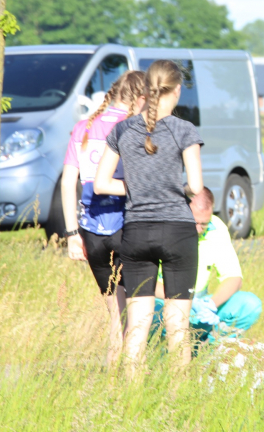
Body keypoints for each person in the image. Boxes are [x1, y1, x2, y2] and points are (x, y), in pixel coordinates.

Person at [95, 60, 204, 373]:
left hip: (136, 231)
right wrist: (173, 187)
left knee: (138, 324)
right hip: (177, 231)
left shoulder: (122, 130)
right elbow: (195, 187)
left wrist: (138, 188)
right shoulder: (185, 130)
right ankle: (177, 395)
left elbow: (101, 184)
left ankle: (130, 398)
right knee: (177, 323)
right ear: (177, 90)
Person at [61, 70, 147, 367]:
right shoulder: (135, 127)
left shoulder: (83, 127)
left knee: (115, 317)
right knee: (135, 315)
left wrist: (72, 234)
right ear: (140, 98)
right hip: (126, 227)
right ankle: (131, 384)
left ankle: (110, 387)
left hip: (90, 231)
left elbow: (67, 182)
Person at [153, 187, 262, 343]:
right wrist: (183, 302)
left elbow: (233, 278)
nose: (198, 229)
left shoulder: (217, 228)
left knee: (250, 304)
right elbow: (147, 282)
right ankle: (161, 349)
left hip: (200, 303)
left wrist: (211, 304)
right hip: (164, 301)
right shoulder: (162, 228)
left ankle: (210, 348)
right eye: (193, 222)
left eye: (203, 224)